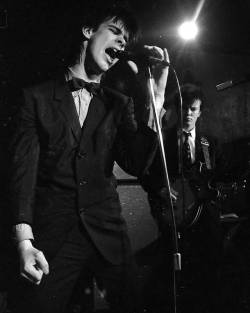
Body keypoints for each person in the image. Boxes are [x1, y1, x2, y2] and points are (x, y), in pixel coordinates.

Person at [8, 4, 169, 313]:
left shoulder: (118, 103)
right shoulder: (36, 98)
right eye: (115, 33)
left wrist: (157, 94)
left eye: (126, 42)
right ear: (88, 31)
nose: (122, 45)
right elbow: (22, 175)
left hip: (108, 233)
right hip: (54, 236)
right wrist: (24, 243)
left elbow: (137, 162)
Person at [140, 83, 226, 313]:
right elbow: (146, 174)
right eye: (184, 108)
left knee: (208, 273)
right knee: (174, 277)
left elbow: (216, 177)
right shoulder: (162, 140)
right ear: (177, 109)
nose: (188, 113)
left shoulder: (210, 143)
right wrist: (160, 189)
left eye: (193, 109)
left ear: (200, 112)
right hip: (175, 217)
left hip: (205, 219)